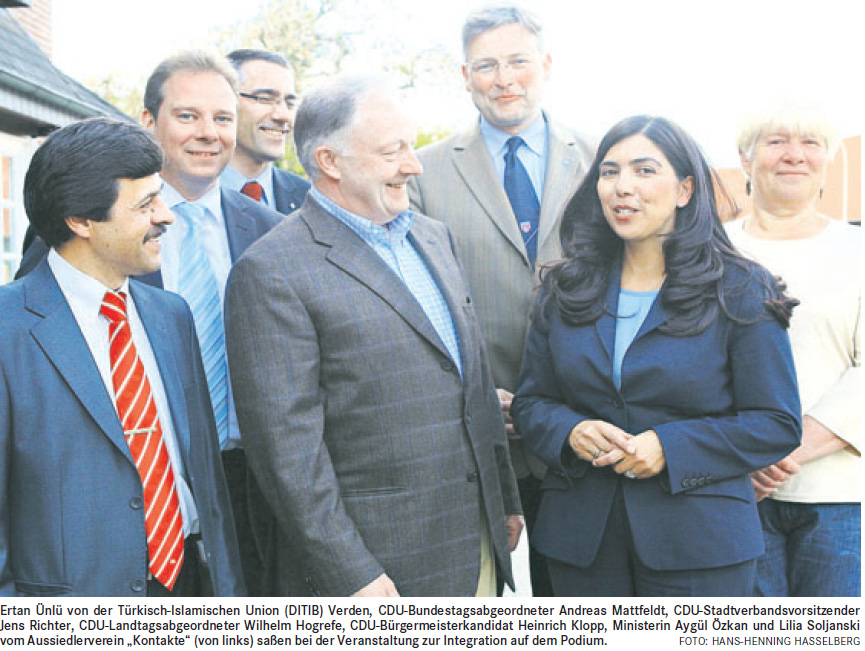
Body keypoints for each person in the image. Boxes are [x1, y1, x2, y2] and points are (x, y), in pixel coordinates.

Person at [225, 74, 523, 597]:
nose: (414, 165)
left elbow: (472, 381)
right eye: (392, 152)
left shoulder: (435, 238)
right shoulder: (271, 272)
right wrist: (351, 570)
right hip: (376, 570)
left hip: (474, 544)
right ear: (330, 162)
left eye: (410, 146)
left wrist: (504, 498)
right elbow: (287, 454)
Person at [15, 51, 283, 596]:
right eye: (187, 115)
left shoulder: (179, 307)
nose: (165, 216)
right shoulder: (26, 309)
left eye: (222, 117)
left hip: (209, 543)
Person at [511, 115, 803, 597]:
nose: (622, 186)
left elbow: (776, 423)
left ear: (685, 190)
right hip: (582, 545)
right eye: (609, 172)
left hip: (701, 545)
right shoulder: (564, 287)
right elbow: (531, 403)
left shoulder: (741, 289)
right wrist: (571, 430)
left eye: (644, 170)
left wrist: (670, 446)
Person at [407, 2, 594, 597]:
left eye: (518, 61)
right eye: (486, 66)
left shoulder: (602, 161)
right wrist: (472, 394)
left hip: (586, 425)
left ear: (547, 65)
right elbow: (414, 303)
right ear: (466, 77)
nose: (504, 78)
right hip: (479, 431)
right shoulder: (422, 174)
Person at [726, 106, 860, 597]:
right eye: (776, 141)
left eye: (810, 143)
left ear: (828, 159)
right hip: (734, 492)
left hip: (839, 498)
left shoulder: (856, 250)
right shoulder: (711, 251)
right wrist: (743, 455)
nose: (794, 155)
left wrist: (782, 450)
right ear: (745, 158)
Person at [222, 49, 310, 213]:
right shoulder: (184, 192)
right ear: (224, 102)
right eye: (265, 99)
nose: (283, 115)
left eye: (290, 103)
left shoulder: (310, 201)